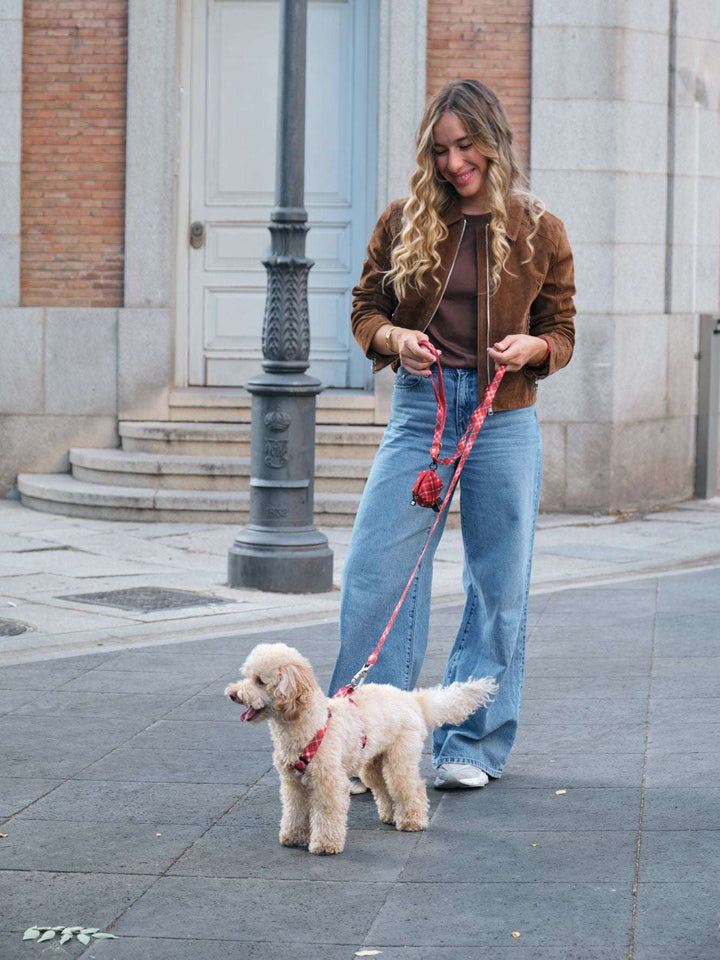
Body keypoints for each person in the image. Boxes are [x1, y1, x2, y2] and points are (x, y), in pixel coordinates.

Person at [328, 78, 576, 790]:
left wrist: (534, 350)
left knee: (498, 584)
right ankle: (362, 739)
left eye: (466, 146)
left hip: (505, 417)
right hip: (422, 411)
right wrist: (393, 336)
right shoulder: (404, 219)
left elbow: (561, 328)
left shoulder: (541, 228)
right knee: (379, 573)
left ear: (492, 142)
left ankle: (470, 743)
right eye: (440, 150)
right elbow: (366, 307)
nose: (453, 162)